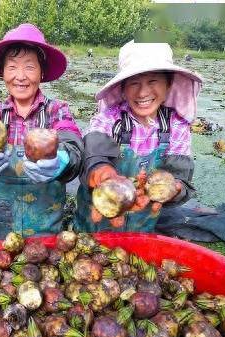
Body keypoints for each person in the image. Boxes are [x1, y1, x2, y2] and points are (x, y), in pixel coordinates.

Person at [0, 23, 83, 240]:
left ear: (42, 72)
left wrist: (62, 160)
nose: (20, 76)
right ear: (2, 72)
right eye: (12, 67)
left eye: (29, 67)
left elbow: (72, 142)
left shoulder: (58, 110)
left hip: (45, 229)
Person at [74, 40, 202, 233]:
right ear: (123, 89)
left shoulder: (177, 126)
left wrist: (173, 189)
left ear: (168, 85)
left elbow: (180, 178)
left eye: (153, 81)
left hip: (141, 228)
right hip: (94, 224)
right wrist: (100, 170)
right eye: (134, 83)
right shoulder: (109, 119)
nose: (143, 92)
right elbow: (93, 148)